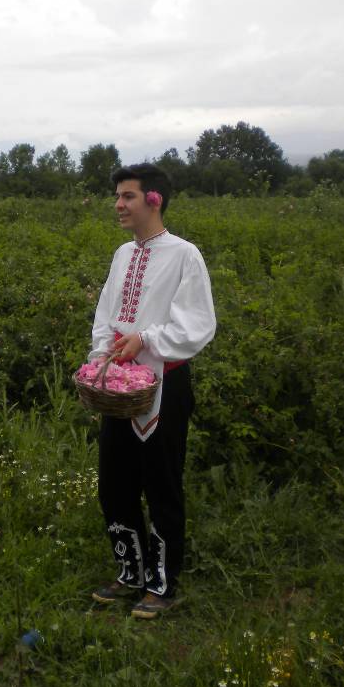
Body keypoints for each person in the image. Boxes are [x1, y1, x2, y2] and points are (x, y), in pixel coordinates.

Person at [87, 163, 216, 619]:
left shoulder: (184, 255)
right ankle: (130, 572)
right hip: (119, 385)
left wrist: (145, 340)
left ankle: (162, 583)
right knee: (114, 483)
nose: (118, 205)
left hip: (165, 383)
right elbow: (106, 312)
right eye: (118, 197)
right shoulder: (123, 254)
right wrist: (101, 358)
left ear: (154, 199)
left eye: (128, 196)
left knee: (161, 483)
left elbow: (197, 324)